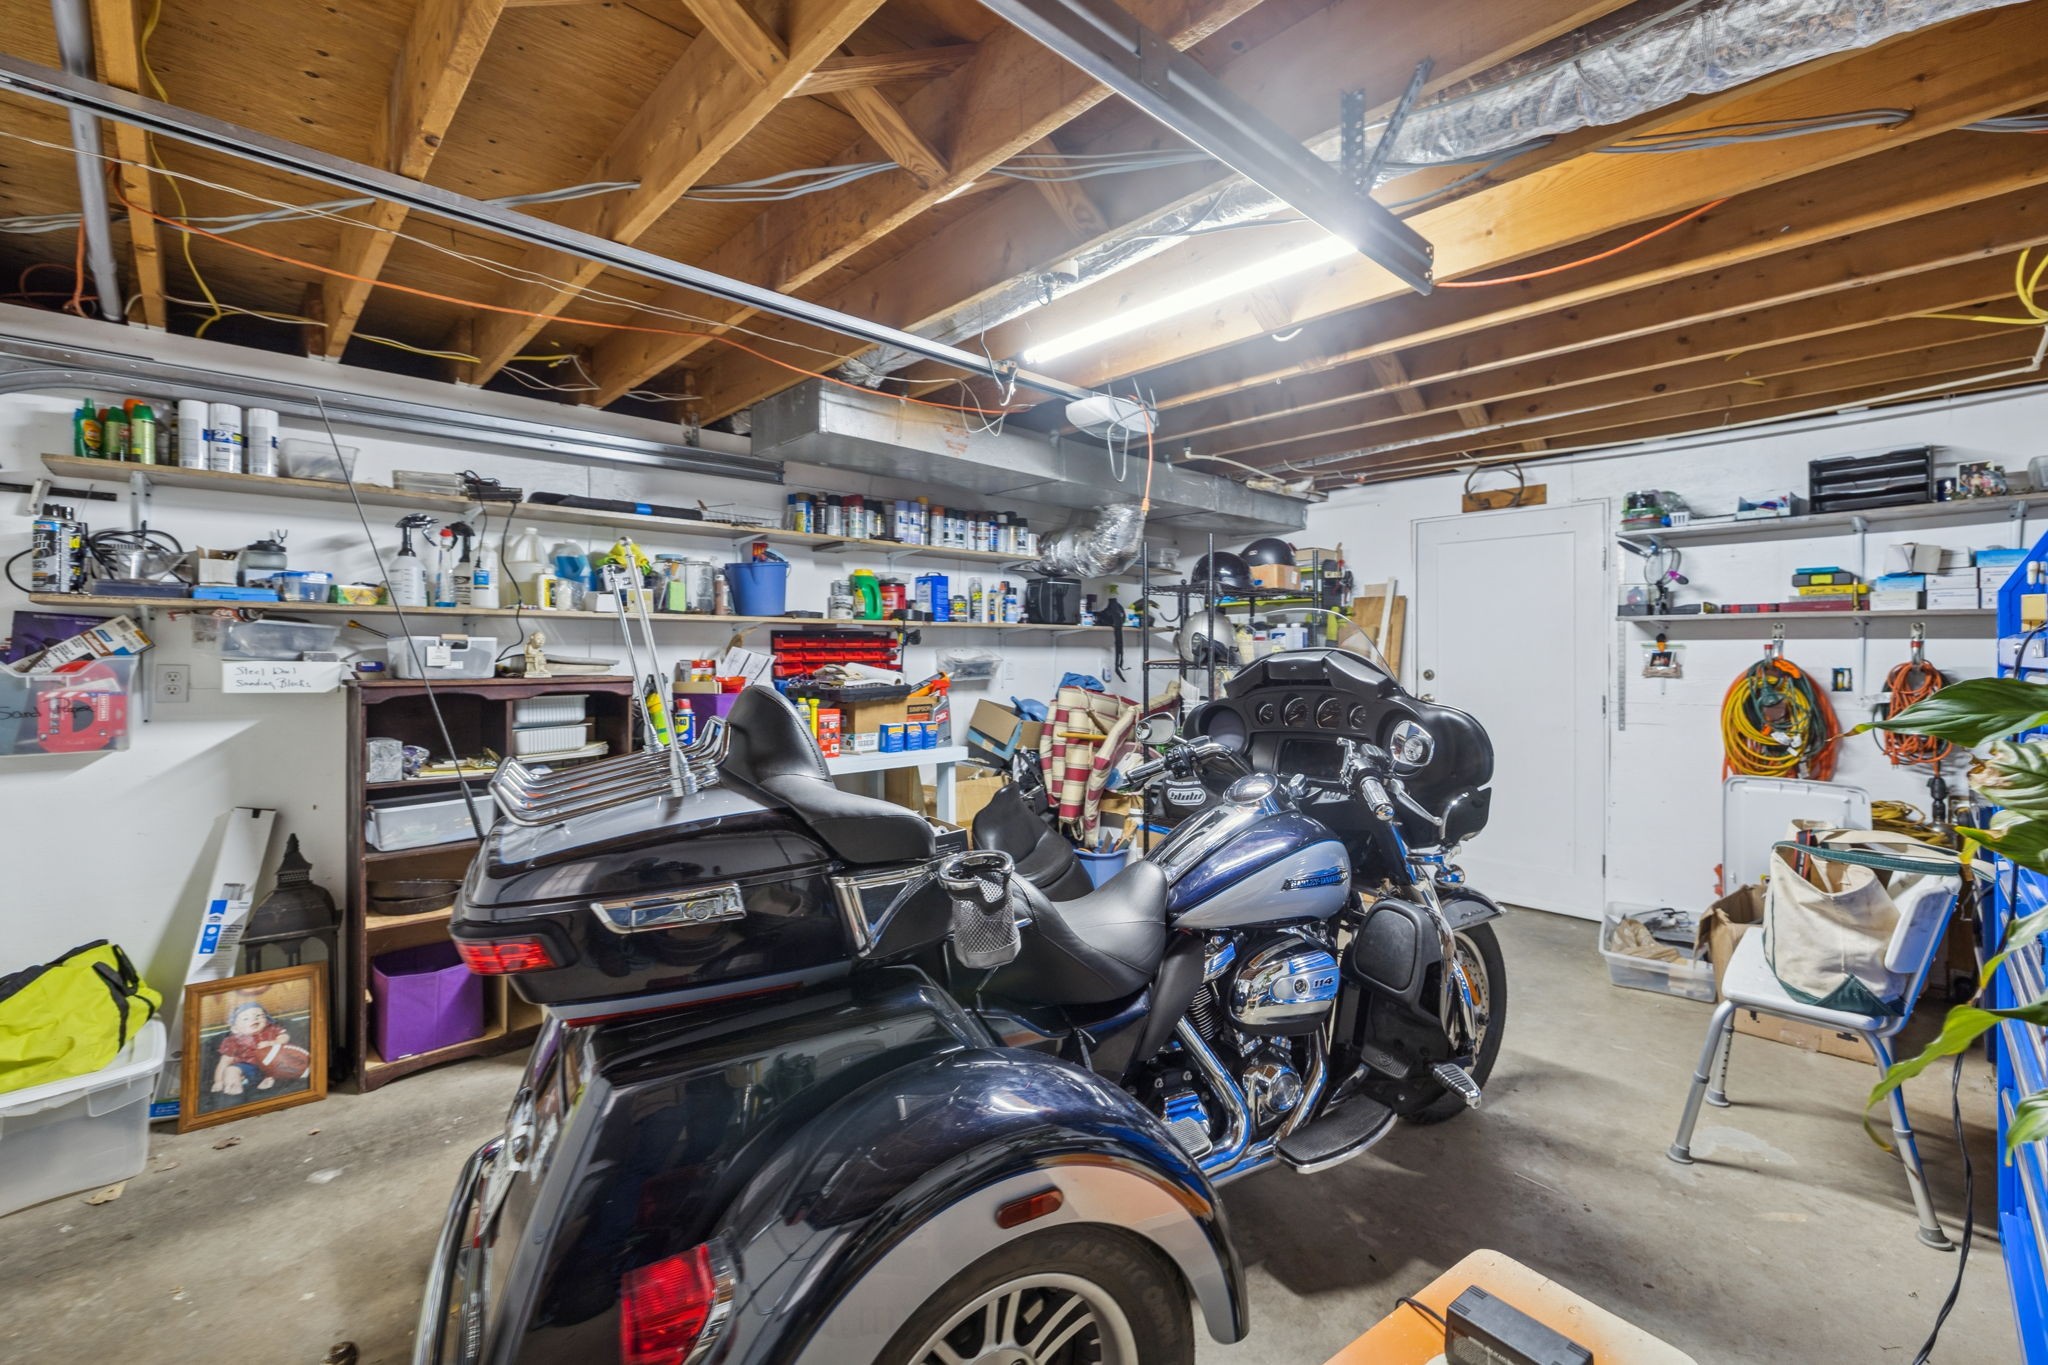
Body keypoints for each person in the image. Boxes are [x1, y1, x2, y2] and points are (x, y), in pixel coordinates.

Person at [212, 999, 310, 1097]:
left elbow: (284, 1036)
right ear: (235, 1029)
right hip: (248, 1067)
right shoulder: (233, 1041)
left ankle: (269, 1081)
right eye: (246, 1018)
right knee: (231, 1070)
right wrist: (218, 1081)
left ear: (266, 1020)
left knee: (282, 1067)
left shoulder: (271, 1030)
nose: (254, 1019)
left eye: (259, 1015)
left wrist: (273, 1042)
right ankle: (233, 1088)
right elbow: (224, 1062)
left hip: (273, 1064)